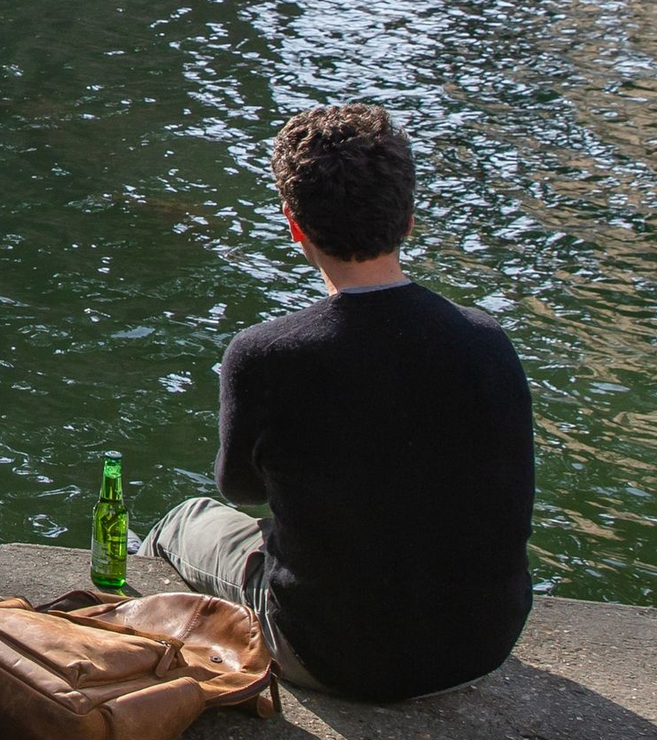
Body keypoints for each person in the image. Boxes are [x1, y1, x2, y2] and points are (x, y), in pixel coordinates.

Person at [139, 103, 534, 703]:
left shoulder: (265, 354)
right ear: (407, 220)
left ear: (294, 225)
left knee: (183, 522)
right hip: (482, 646)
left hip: (331, 656)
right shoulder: (489, 342)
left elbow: (239, 490)